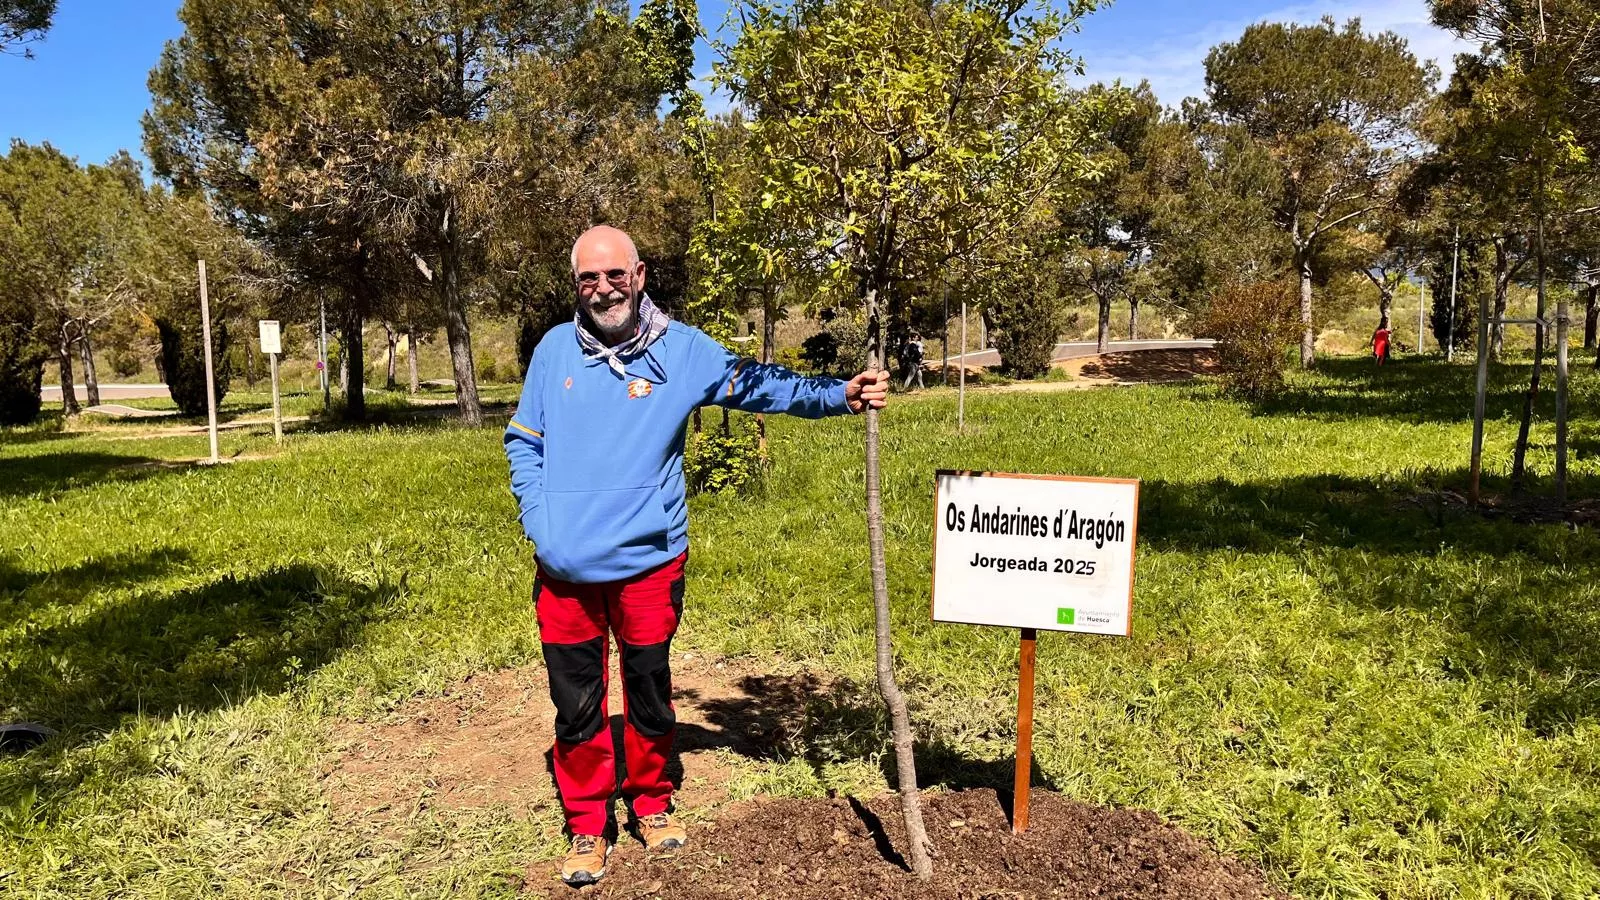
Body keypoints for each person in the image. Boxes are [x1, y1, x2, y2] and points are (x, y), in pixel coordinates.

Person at [504, 225, 889, 887]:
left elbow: (759, 385)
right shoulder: (552, 351)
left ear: (640, 274)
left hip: (649, 564)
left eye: (614, 275)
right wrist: (542, 522)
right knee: (577, 705)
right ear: (576, 285)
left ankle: (652, 801)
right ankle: (588, 821)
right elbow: (524, 441)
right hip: (564, 572)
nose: (602, 289)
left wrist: (838, 395)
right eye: (588, 279)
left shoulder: (680, 353)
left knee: (649, 691)